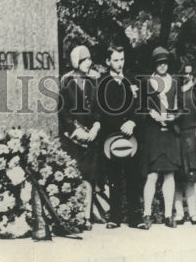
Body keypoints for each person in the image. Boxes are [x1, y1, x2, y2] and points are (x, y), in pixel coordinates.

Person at [93, 44, 141, 229]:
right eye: (115, 60)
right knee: (113, 178)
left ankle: (135, 218)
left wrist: (132, 122)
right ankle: (114, 217)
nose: (119, 64)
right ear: (107, 62)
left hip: (131, 137)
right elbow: (102, 110)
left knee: (133, 176)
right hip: (111, 137)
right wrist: (119, 124)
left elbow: (139, 106)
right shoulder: (102, 83)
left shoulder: (131, 80)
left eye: (121, 59)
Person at [137, 45, 182, 230]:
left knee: (169, 174)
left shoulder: (175, 82)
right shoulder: (147, 83)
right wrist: (152, 115)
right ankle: (147, 214)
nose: (162, 66)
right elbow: (141, 107)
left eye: (165, 63)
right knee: (152, 175)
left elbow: (180, 108)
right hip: (153, 133)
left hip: (170, 132)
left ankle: (168, 215)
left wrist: (174, 117)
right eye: (159, 63)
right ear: (154, 65)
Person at [59, 44, 101, 229]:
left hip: (91, 137)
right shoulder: (66, 82)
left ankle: (86, 215)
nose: (88, 63)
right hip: (73, 138)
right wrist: (76, 131)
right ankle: (74, 214)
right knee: (74, 175)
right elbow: (63, 110)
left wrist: (96, 127)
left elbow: (98, 109)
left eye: (89, 59)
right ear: (76, 61)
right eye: (84, 60)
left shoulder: (93, 82)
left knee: (89, 177)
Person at [172, 56, 196, 226]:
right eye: (184, 74)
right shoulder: (173, 91)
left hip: (192, 134)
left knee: (191, 175)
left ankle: (193, 213)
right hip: (176, 135)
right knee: (177, 175)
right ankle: (178, 213)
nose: (188, 77)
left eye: (190, 74)